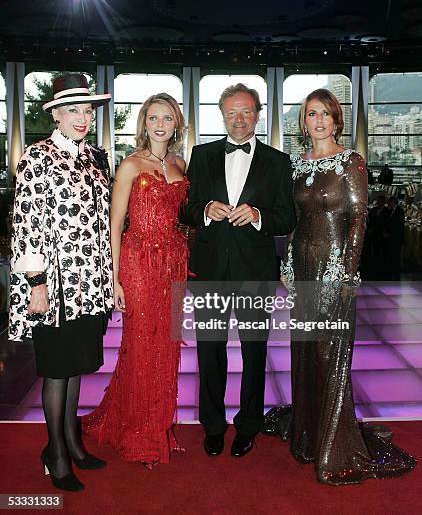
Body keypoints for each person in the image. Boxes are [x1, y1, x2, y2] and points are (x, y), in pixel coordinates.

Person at [273, 88, 415, 484]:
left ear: (336, 120)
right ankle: (309, 434)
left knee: (330, 354)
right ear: (304, 120)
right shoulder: (297, 166)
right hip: (302, 265)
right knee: (304, 352)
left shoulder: (351, 163)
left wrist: (347, 273)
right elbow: (295, 222)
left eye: (325, 114)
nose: (318, 121)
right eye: (311, 114)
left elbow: (358, 221)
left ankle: (335, 443)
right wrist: (286, 265)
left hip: (335, 267)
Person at [8, 73, 114, 492]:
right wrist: (36, 281)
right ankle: (54, 452)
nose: (83, 117)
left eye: (88, 110)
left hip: (90, 283)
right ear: (55, 113)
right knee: (56, 370)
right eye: (74, 109)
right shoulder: (37, 156)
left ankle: (72, 441)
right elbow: (25, 222)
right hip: (53, 284)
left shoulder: (95, 158)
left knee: (75, 368)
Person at [184, 83, 296, 458]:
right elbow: (184, 208)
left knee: (254, 352)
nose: (239, 119)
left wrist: (259, 215)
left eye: (246, 111)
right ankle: (213, 427)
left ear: (258, 114)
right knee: (209, 351)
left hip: (255, 270)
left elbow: (287, 217)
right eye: (231, 112)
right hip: (211, 269)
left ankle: (248, 426)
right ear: (222, 114)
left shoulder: (279, 162)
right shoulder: (201, 156)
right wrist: (204, 211)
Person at [82, 93, 188, 468]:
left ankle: (157, 425)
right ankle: (139, 434)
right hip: (138, 263)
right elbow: (114, 224)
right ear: (144, 122)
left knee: (167, 348)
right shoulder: (129, 165)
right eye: (154, 118)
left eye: (168, 118)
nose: (160, 124)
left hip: (173, 265)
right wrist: (114, 278)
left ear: (177, 124)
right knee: (142, 345)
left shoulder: (179, 162)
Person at [385, 196, 405, 280]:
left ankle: (396, 269)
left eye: (390, 202)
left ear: (393, 202)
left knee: (396, 253)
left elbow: (398, 225)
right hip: (391, 236)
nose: (388, 204)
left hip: (396, 237)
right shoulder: (390, 210)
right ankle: (391, 268)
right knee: (391, 253)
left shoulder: (400, 211)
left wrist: (390, 233)